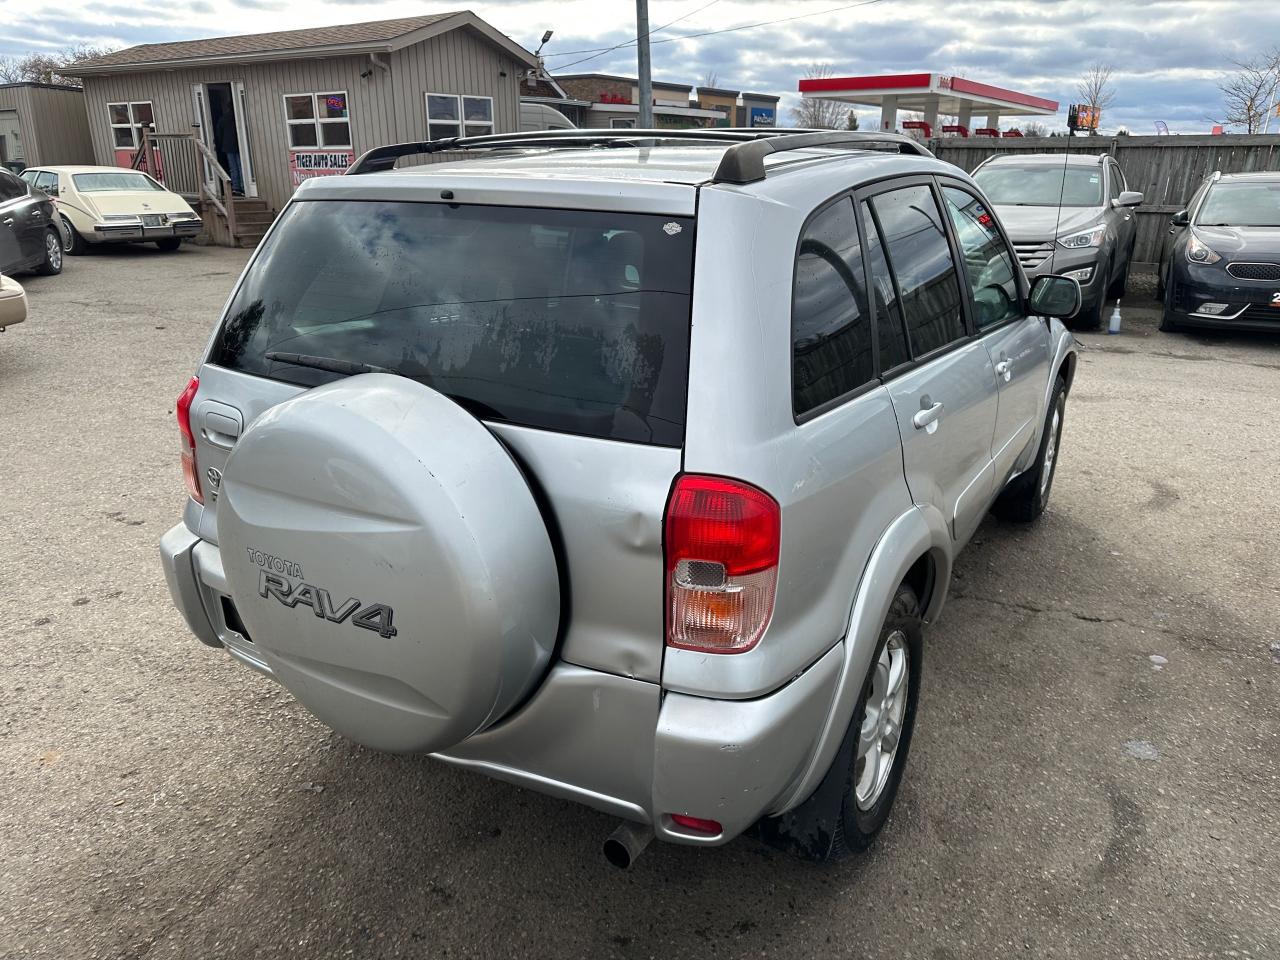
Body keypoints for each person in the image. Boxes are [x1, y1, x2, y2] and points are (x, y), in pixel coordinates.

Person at [214, 107, 243, 195]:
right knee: (241, 166)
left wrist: (218, 144)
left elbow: (219, 134)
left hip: (227, 146)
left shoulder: (223, 119)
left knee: (233, 168)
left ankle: (236, 187)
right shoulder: (238, 117)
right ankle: (243, 186)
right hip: (239, 146)